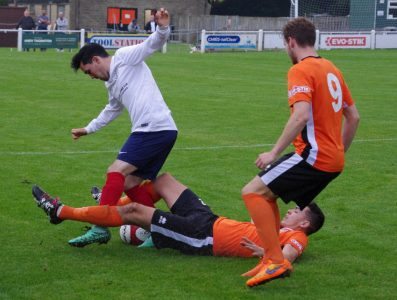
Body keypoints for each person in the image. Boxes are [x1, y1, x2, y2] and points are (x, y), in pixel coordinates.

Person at [240, 17, 360, 287]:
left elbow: (301, 116)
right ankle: (271, 259)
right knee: (265, 195)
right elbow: (353, 117)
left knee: (251, 192)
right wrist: (339, 150)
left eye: (286, 45)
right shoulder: (332, 68)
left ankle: (275, 261)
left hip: (313, 156)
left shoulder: (300, 70)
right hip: (331, 159)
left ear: (291, 42)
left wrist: (273, 152)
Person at [32, 173, 324, 267]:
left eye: (297, 211)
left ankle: (61, 212)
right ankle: (109, 206)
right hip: (209, 221)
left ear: (305, 224)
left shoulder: (297, 238)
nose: (291, 210)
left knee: (134, 212)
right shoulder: (280, 226)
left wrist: (263, 253)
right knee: (163, 180)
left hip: (202, 238)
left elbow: (284, 260)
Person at [68, 8, 177, 247]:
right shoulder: (112, 84)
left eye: (89, 72)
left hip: (154, 128)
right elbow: (112, 109)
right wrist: (88, 129)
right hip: (159, 130)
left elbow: (151, 44)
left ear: (96, 60)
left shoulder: (126, 56)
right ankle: (158, 232)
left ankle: (100, 227)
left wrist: (163, 27)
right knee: (130, 184)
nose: (91, 77)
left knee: (115, 171)